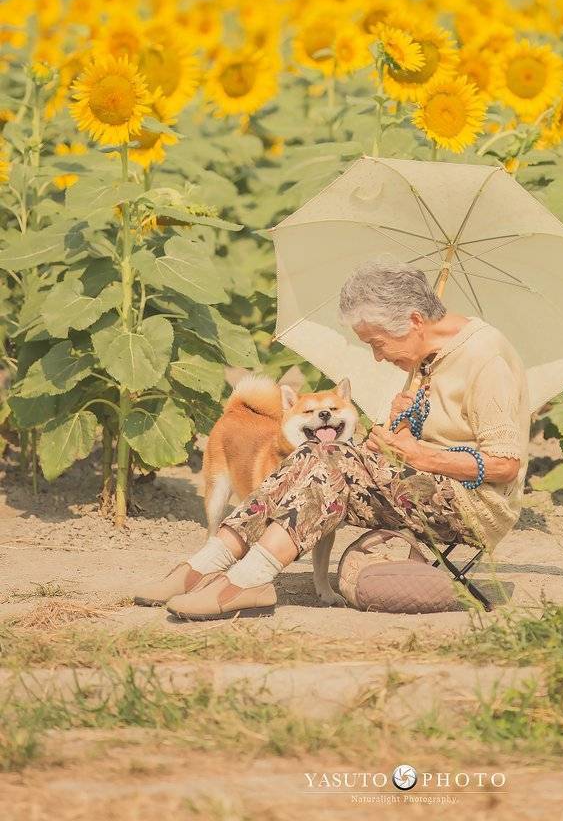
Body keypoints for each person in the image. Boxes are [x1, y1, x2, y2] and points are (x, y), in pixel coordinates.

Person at [133, 258, 532, 620]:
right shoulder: (428, 359)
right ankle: (208, 563)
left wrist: (421, 455)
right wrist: (398, 431)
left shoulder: (485, 359)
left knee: (334, 459)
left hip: (474, 507)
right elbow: (433, 438)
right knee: (320, 452)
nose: (377, 357)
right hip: (426, 490)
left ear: (413, 321)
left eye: (377, 343)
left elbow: (504, 466)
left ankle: (250, 577)